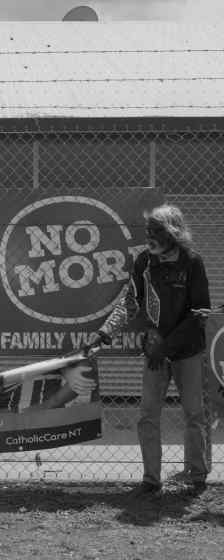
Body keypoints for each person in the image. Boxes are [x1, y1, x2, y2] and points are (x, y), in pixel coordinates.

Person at [89, 204, 210, 498]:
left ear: (173, 232)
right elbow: (130, 302)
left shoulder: (192, 262)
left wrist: (166, 348)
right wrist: (106, 331)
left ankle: (197, 477)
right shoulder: (144, 262)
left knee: (194, 413)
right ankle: (151, 479)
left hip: (187, 350)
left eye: (156, 231)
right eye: (148, 231)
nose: (149, 236)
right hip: (155, 351)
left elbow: (199, 314)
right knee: (147, 415)